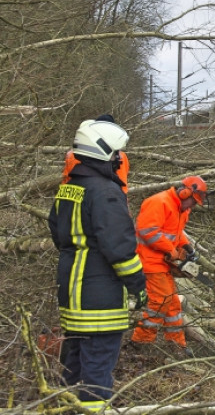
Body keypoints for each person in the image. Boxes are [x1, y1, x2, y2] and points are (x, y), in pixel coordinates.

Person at [48, 119, 147, 411]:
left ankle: (68, 408)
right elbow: (120, 250)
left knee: (74, 364)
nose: (119, 160)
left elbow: (57, 232)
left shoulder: (68, 188)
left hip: (70, 291)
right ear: (102, 150)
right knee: (97, 372)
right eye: (116, 154)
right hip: (98, 298)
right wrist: (138, 286)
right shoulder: (105, 192)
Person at [131, 175, 208, 355]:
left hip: (163, 263)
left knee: (173, 304)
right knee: (161, 301)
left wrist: (187, 247)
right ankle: (140, 341)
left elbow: (176, 232)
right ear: (184, 193)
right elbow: (147, 230)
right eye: (193, 202)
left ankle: (176, 345)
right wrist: (170, 250)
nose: (193, 206)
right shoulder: (159, 202)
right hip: (149, 260)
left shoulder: (182, 210)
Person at [62, 114, 129, 194]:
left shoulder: (74, 153)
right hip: (104, 193)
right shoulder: (120, 156)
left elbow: (66, 177)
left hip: (72, 191)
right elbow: (122, 180)